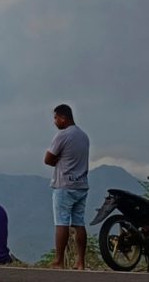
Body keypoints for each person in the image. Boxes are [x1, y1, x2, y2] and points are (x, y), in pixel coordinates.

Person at [43, 104, 90, 270]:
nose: (55, 122)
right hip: (81, 185)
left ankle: (59, 260)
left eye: (56, 118)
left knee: (61, 223)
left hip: (64, 185)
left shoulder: (62, 135)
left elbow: (48, 159)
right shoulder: (84, 136)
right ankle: (81, 262)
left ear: (63, 118)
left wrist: (59, 161)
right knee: (79, 223)